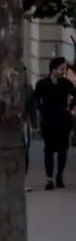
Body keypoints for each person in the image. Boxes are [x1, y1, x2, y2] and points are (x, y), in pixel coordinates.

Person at [33, 57, 76, 190]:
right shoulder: (42, 83)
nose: (63, 71)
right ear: (53, 69)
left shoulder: (66, 83)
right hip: (48, 121)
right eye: (61, 69)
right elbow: (35, 98)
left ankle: (59, 176)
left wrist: (70, 107)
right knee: (49, 151)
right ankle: (49, 178)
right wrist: (41, 109)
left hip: (63, 120)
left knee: (63, 150)